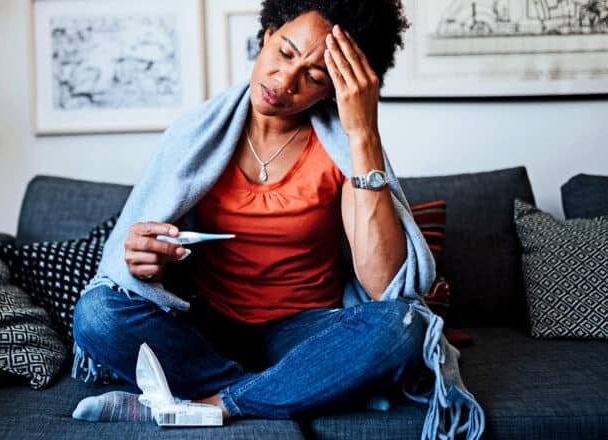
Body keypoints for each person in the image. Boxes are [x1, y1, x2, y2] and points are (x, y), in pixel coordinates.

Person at [70, 1, 484, 438]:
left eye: (314, 77)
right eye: (285, 53)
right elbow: (138, 259)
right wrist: (145, 257)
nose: (285, 81)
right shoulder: (196, 137)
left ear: (334, 91)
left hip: (303, 333)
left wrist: (364, 133)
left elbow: (384, 286)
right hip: (204, 328)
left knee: (403, 328)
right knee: (97, 313)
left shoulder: (341, 151)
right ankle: (289, 389)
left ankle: (209, 403)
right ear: (267, 35)